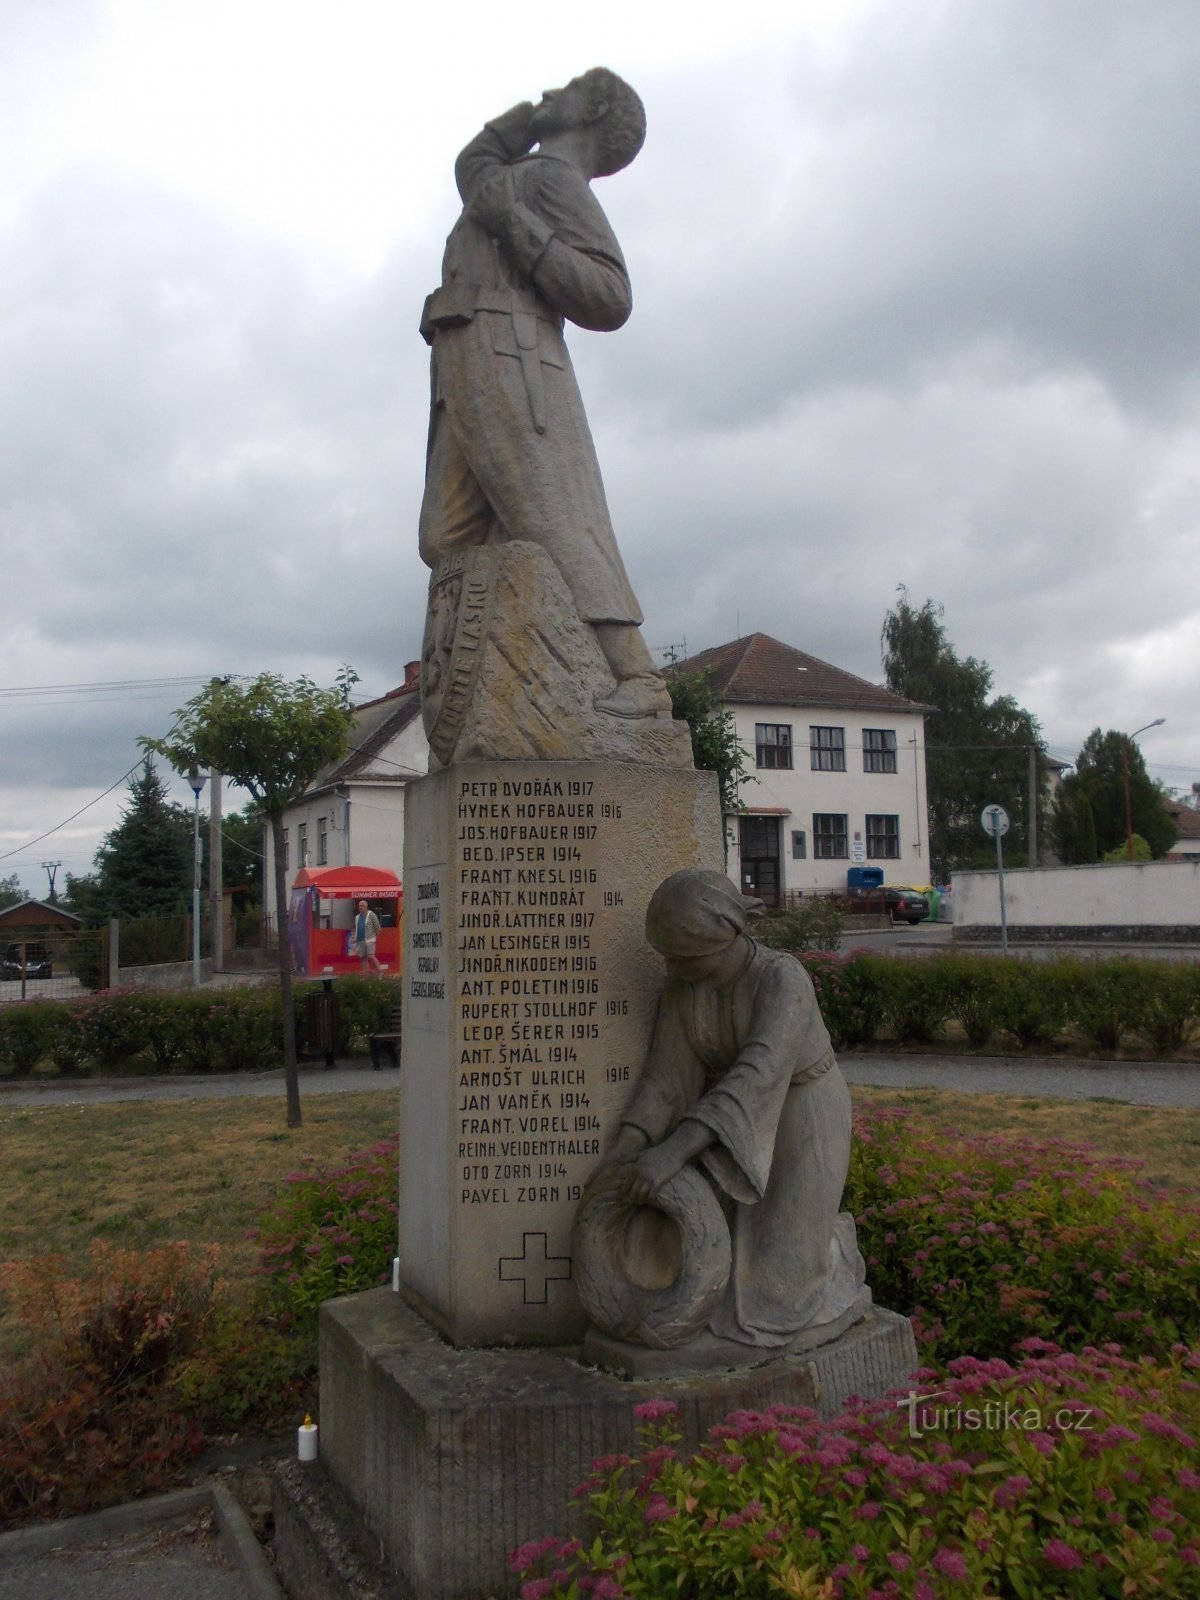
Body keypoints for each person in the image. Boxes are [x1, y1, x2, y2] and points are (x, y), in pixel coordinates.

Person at [418, 69, 671, 721]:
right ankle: (513, 673)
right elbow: (473, 167)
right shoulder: (519, 173)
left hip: (511, 351)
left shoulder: (553, 182)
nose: (553, 88)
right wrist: (522, 121)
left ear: (596, 112)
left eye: (572, 87)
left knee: (555, 517)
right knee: (446, 535)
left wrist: (518, 229)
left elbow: (609, 297)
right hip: (464, 352)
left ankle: (635, 675)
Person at [604, 869, 869, 1352]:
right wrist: (626, 1151)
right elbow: (665, 1081)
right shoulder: (683, 993)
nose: (671, 967)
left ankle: (830, 1255)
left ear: (722, 940)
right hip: (726, 1124)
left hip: (804, 1110)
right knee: (722, 1269)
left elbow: (757, 1074)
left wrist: (674, 1152)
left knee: (781, 1285)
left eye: (683, 957)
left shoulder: (781, 978)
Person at [352, 899, 383, 972]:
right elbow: (356, 928)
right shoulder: (357, 917)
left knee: (371, 956)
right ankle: (365, 975)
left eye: (362, 906)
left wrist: (374, 936)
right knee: (363, 958)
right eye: (359, 906)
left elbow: (377, 927)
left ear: (366, 906)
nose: (360, 907)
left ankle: (380, 972)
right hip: (360, 940)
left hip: (369, 939)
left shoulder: (371, 915)